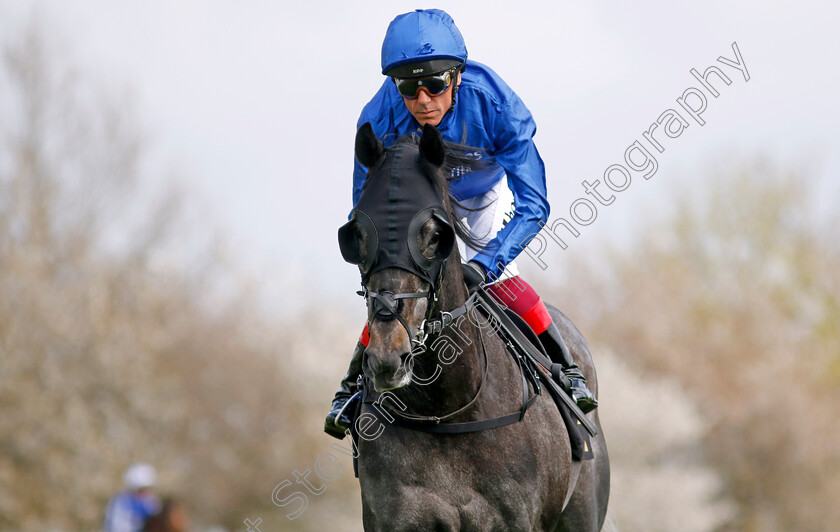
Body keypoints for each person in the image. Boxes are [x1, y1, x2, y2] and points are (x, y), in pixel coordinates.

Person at [325, 9, 596, 439]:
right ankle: (351, 386)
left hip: (480, 197)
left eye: (434, 85)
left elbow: (535, 204)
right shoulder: (378, 117)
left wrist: (485, 264)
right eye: (409, 89)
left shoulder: (496, 105)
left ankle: (565, 366)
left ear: (457, 76)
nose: (423, 100)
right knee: (396, 282)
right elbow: (365, 207)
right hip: (420, 202)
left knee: (499, 276)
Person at [103, 463, 161, 532]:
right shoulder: (121, 502)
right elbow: (116, 526)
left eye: (146, 488)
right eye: (140, 489)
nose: (144, 492)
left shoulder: (151, 501)